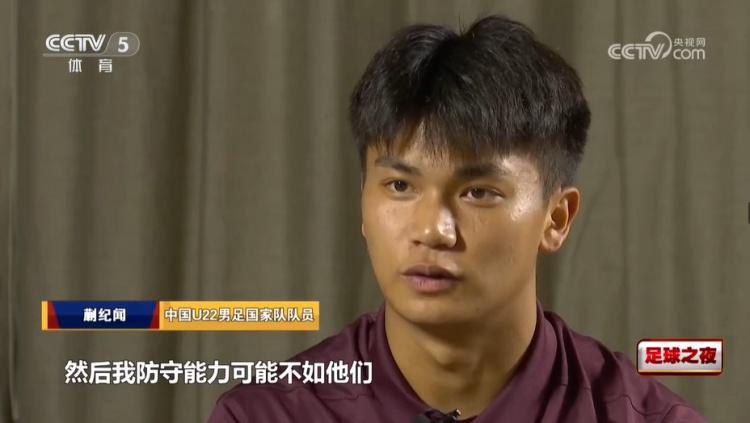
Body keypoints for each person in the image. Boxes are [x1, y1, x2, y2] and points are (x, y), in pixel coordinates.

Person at [209, 15, 704, 422]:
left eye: (478, 192)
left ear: (556, 219)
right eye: (400, 186)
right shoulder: (267, 415)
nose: (432, 230)